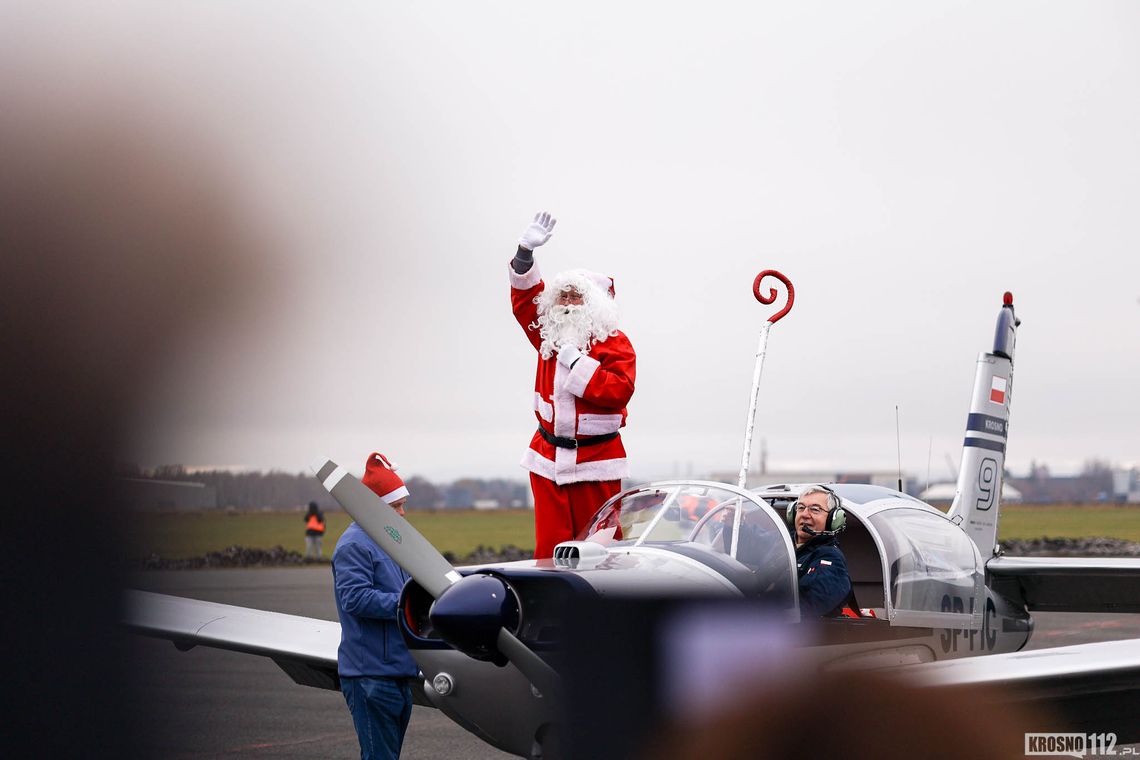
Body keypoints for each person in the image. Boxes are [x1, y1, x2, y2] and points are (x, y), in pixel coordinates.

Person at [509, 211, 637, 559]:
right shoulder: (547, 336)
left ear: (593, 305)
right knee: (549, 551)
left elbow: (618, 391)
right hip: (547, 458)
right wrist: (524, 253)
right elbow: (524, 302)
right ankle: (550, 610)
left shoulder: (615, 343)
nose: (566, 304)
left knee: (599, 547)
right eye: (561, 297)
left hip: (598, 460)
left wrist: (576, 363)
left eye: (575, 297)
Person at [332, 452, 417, 760]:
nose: (403, 512)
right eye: (396, 506)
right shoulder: (355, 544)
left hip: (396, 671)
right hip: (370, 675)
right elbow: (354, 598)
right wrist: (408, 604)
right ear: (374, 507)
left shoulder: (391, 541)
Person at [790, 485, 852, 617]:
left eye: (815, 509)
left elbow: (807, 608)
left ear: (832, 519)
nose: (805, 514)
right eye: (800, 508)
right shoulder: (781, 543)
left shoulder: (831, 559)